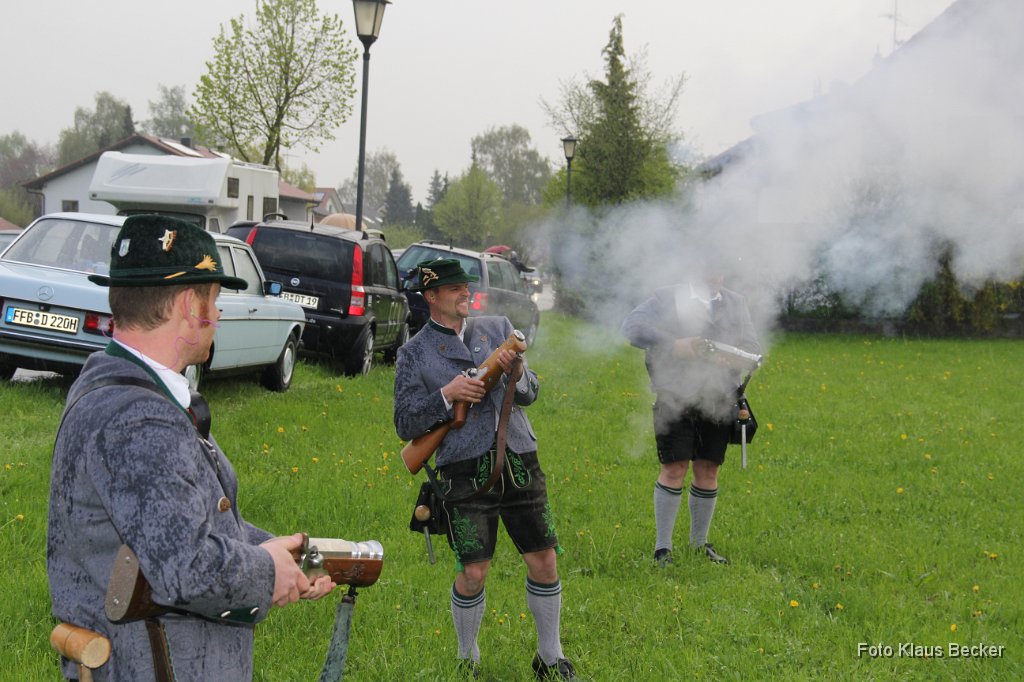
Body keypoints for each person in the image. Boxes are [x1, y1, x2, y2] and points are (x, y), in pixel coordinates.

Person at [47, 215, 334, 681]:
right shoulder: (137, 418)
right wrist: (266, 571)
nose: (217, 315)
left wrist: (298, 556)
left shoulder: (128, 392)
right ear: (189, 304)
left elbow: (190, 521)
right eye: (214, 300)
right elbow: (187, 566)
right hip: (153, 667)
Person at [393, 258, 575, 680]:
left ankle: (550, 656)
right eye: (454, 288)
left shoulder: (497, 328)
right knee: (473, 572)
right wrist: (447, 394)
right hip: (462, 468)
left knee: (544, 559)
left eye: (466, 286)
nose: (464, 294)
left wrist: (519, 374)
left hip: (518, 457)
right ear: (432, 296)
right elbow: (405, 422)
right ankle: (467, 658)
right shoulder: (413, 353)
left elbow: (530, 394)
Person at [621, 268, 761, 566]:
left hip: (719, 397)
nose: (717, 275)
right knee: (674, 468)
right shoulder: (667, 297)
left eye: (722, 268)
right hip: (675, 396)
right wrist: (673, 344)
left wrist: (735, 356)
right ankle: (663, 550)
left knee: (708, 469)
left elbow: (752, 347)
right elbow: (632, 326)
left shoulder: (735, 302)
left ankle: (700, 545)